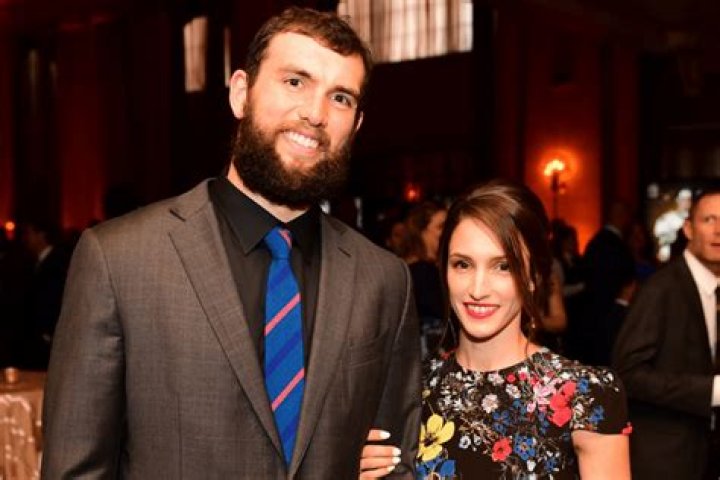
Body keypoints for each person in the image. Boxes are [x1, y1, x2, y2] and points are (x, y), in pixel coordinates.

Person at [41, 7, 421, 478]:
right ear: (241, 93)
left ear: (356, 124)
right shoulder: (120, 260)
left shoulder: (384, 280)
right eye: (295, 82)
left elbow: (396, 462)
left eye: (340, 97)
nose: (315, 114)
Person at [360, 180, 631, 479]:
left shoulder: (586, 396)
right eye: (462, 264)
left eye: (503, 266)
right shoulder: (409, 391)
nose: (478, 289)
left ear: (533, 277)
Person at [613, 187, 720, 480]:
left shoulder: (713, 287)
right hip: (666, 459)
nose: (718, 230)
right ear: (688, 229)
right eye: (709, 220)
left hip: (705, 454)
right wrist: (712, 390)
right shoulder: (661, 288)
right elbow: (627, 373)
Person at [402, 201, 447, 356]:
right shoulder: (421, 272)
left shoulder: (425, 268)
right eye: (441, 226)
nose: (448, 232)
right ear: (421, 231)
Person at [653, 188, 692, 263]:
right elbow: (660, 235)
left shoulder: (694, 219)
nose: (686, 202)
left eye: (688, 200)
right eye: (683, 200)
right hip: (669, 255)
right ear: (678, 201)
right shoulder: (667, 218)